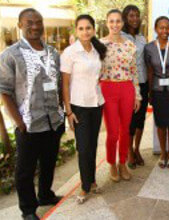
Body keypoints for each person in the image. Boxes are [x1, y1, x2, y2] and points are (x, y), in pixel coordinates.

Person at [0, 8, 64, 220]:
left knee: (49, 162)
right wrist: (19, 123)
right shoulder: (10, 55)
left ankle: (45, 194)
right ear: (20, 25)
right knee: (25, 170)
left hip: (53, 121)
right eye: (29, 23)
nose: (35, 26)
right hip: (29, 124)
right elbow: (3, 91)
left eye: (38, 22)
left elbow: (58, 84)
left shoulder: (53, 53)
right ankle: (28, 209)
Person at [61, 14, 106, 204]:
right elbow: (64, 84)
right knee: (83, 148)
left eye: (88, 28)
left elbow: (99, 75)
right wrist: (68, 111)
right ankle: (85, 186)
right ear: (76, 31)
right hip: (78, 106)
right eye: (81, 28)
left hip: (96, 104)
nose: (85, 31)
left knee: (93, 145)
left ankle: (92, 181)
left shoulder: (97, 51)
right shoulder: (70, 52)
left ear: (94, 30)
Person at [100, 9, 141, 182]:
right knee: (113, 132)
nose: (115, 24)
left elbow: (134, 72)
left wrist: (137, 95)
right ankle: (111, 163)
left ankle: (122, 162)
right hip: (107, 89)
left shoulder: (130, 45)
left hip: (127, 89)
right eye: (112, 21)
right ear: (107, 23)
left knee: (125, 130)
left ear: (122, 23)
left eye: (118, 21)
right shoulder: (99, 45)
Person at [145, 16, 169, 168]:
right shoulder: (149, 48)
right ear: (156, 29)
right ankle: (163, 153)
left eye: (167, 27)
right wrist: (149, 92)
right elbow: (149, 71)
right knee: (160, 123)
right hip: (157, 90)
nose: (165, 30)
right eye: (161, 27)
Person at [121, 5, 148, 169]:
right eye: (131, 15)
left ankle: (137, 149)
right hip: (128, 85)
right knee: (130, 121)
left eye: (137, 15)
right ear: (125, 17)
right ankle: (129, 151)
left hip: (143, 82)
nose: (135, 18)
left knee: (141, 120)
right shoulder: (121, 37)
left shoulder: (142, 38)